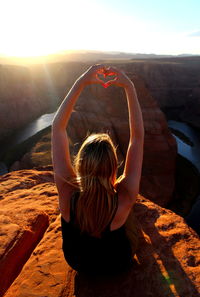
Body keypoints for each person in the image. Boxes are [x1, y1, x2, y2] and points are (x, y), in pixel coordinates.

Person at [51, 64, 144, 276]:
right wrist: (128, 87)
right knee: (130, 216)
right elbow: (137, 139)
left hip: (77, 263)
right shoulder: (124, 196)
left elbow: (57, 128)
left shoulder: (67, 191)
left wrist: (81, 83)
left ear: (80, 164)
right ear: (113, 166)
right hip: (117, 265)